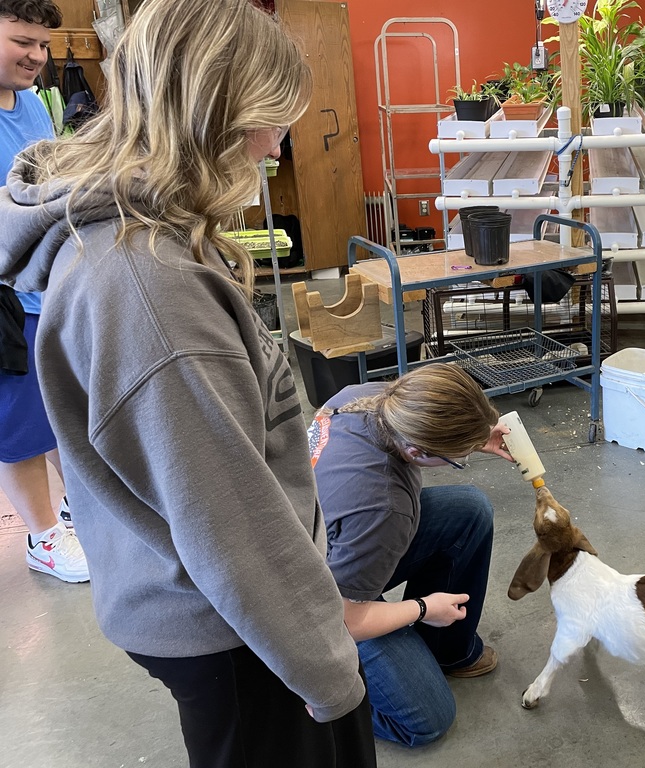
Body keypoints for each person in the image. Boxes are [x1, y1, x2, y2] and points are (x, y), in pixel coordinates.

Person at [0, 0, 375, 765]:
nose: (276, 145)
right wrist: (332, 674)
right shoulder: (150, 289)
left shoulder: (137, 239)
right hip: (229, 627)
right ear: (211, 114)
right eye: (267, 119)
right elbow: (231, 531)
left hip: (180, 592)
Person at [309, 363, 514, 747]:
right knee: (427, 719)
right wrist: (423, 608)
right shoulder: (383, 509)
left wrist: (472, 435)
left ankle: (447, 652)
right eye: (459, 457)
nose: (464, 458)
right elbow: (347, 619)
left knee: (469, 509)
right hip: (318, 601)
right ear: (416, 449)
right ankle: (309, 695)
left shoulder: (368, 397)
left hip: (336, 543)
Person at [0, 0, 88, 583]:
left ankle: (70, 510)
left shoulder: (32, 105)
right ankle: (43, 538)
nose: (35, 55)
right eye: (21, 41)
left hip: (47, 288)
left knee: (62, 411)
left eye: (41, 44)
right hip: (6, 299)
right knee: (19, 425)